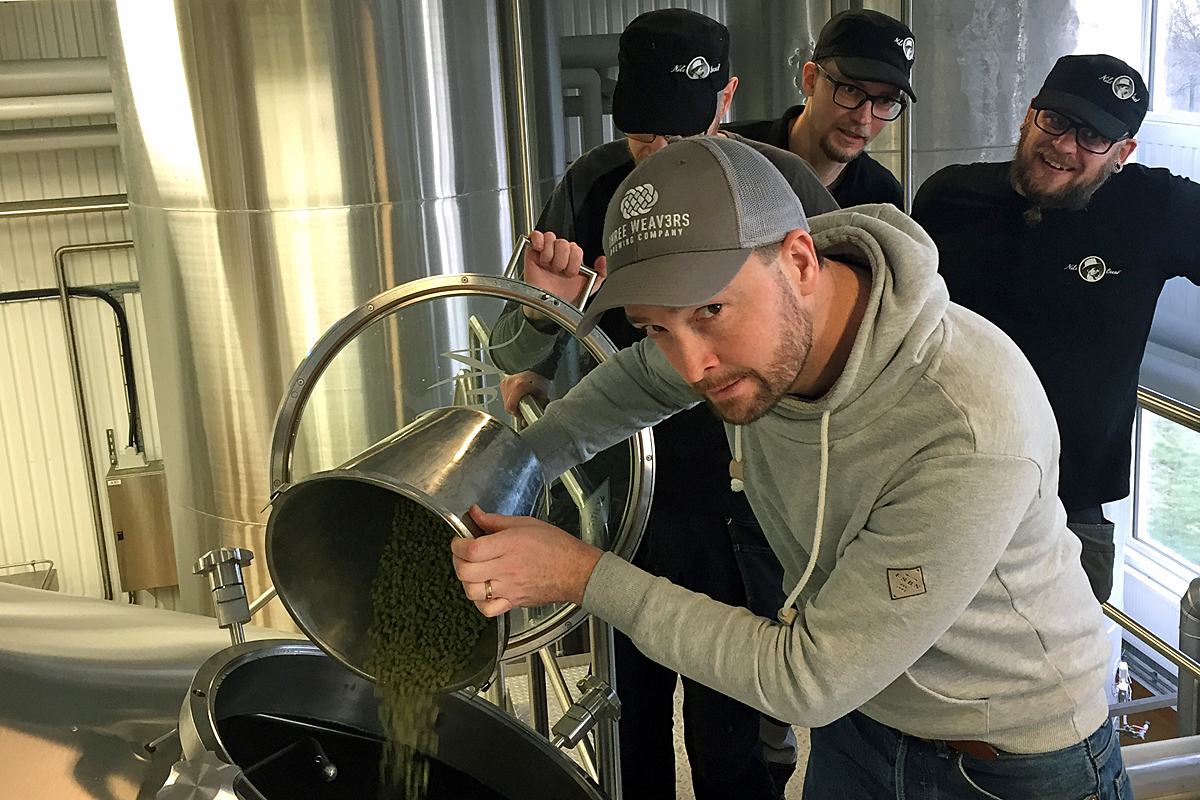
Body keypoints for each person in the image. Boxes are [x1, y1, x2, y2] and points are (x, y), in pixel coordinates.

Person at [455, 135, 1129, 799]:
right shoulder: (752, 333)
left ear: (801, 261)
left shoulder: (965, 424)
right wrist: (515, 472)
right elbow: (639, 379)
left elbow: (806, 680)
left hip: (1007, 759)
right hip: (863, 721)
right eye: (656, 326)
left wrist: (580, 574)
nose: (693, 366)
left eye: (710, 312)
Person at [487, 10, 838, 799]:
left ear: (727, 98)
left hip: (746, 504)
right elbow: (517, 362)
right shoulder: (591, 184)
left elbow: (832, 336)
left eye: (680, 135)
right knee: (628, 717)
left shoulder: (781, 187)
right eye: (644, 135)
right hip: (624, 497)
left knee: (732, 726)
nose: (660, 155)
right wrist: (546, 308)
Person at [911, 54, 1200, 603]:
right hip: (942, 486)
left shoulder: (1155, 210)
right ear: (1029, 115)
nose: (1065, 145)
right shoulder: (947, 198)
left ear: (1123, 153)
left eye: (1093, 136)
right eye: (1057, 120)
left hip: (1070, 511)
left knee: (1068, 657)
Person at [724, 9, 915, 208]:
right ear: (810, 79)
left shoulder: (882, 195)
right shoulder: (730, 154)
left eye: (885, 100)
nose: (863, 118)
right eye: (850, 90)